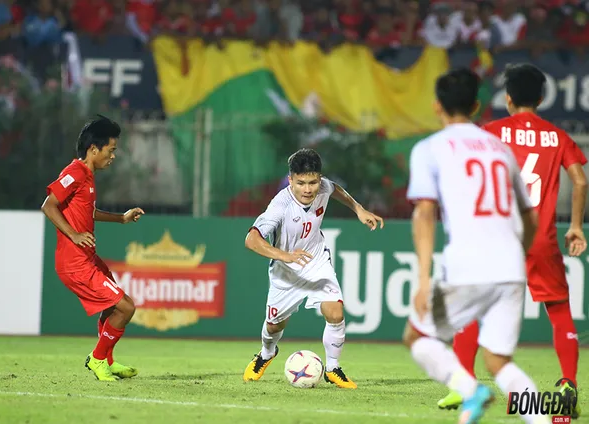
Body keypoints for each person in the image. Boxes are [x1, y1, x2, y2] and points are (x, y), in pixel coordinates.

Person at [438, 64, 587, 419]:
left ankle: (465, 385)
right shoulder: (558, 136)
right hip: (541, 238)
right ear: (540, 98)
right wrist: (577, 226)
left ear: (507, 98)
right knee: (559, 310)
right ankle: (567, 383)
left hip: (497, 236)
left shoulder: (491, 132)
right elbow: (580, 181)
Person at [403, 68, 549, 424]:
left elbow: (424, 212)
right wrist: (520, 253)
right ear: (477, 105)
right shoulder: (500, 148)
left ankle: (471, 391)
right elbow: (530, 217)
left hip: (468, 264)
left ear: (437, 106)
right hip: (511, 267)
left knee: (417, 337)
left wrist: (423, 278)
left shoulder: (430, 148)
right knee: (499, 361)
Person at [242, 148, 384, 389]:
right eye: (301, 183)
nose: (308, 189)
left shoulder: (323, 187)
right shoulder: (280, 205)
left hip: (316, 261)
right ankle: (266, 354)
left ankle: (333, 368)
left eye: (312, 182)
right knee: (275, 324)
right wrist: (285, 256)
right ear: (290, 181)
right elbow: (251, 240)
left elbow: (335, 189)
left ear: (319, 178)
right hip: (286, 269)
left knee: (335, 313)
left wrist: (358, 209)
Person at [41, 115, 144, 382]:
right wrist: (73, 235)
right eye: (111, 150)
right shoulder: (75, 172)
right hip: (75, 263)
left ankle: (106, 360)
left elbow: (89, 211)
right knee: (126, 307)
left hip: (88, 259)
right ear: (93, 149)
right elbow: (49, 205)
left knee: (113, 307)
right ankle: (98, 359)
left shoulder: (87, 176)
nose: (113, 156)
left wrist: (121, 218)